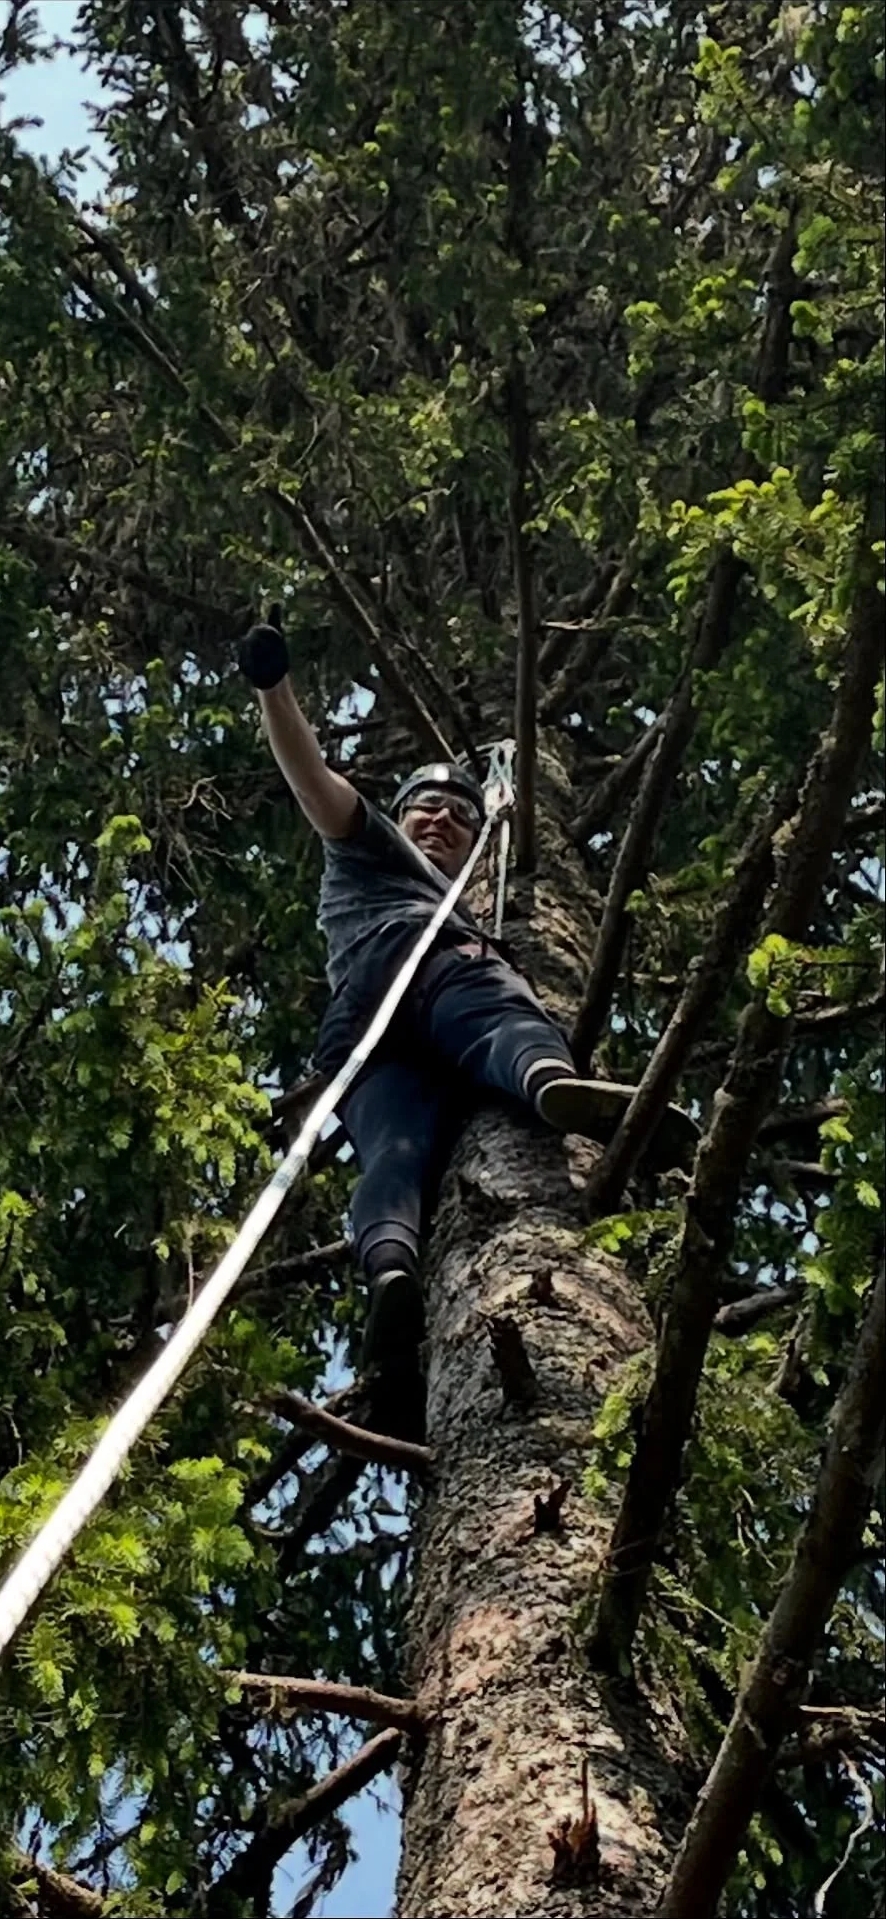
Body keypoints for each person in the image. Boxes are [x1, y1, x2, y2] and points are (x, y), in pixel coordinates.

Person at [238, 616, 697, 1438]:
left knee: (394, 1150)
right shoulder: (371, 848)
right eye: (425, 809)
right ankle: (550, 1086)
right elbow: (312, 779)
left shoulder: (463, 890)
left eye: (457, 815)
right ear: (400, 815)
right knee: (498, 1010)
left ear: (475, 840)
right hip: (419, 964)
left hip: (364, 1035)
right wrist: (275, 687)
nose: (439, 821)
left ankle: (390, 1276)